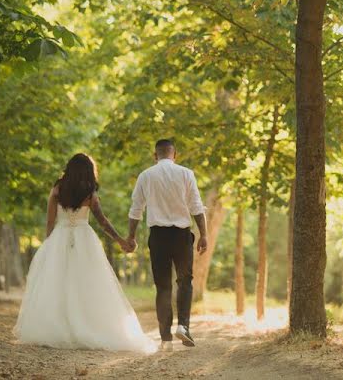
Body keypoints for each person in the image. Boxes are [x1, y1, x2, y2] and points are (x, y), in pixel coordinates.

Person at [14, 153, 154, 353]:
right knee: (87, 283)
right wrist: (121, 241)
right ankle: (87, 325)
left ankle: (58, 328)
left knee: (57, 283)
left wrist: (48, 244)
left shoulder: (57, 189)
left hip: (60, 237)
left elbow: (50, 221)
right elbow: (103, 222)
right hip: (84, 239)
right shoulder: (90, 194)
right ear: (89, 171)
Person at [127, 139, 207, 351]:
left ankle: (166, 340)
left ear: (155, 155)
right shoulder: (186, 173)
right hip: (181, 236)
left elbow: (136, 210)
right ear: (175, 154)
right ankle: (183, 326)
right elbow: (197, 206)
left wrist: (131, 237)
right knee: (185, 281)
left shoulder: (146, 176)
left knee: (163, 287)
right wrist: (204, 235)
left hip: (158, 236)